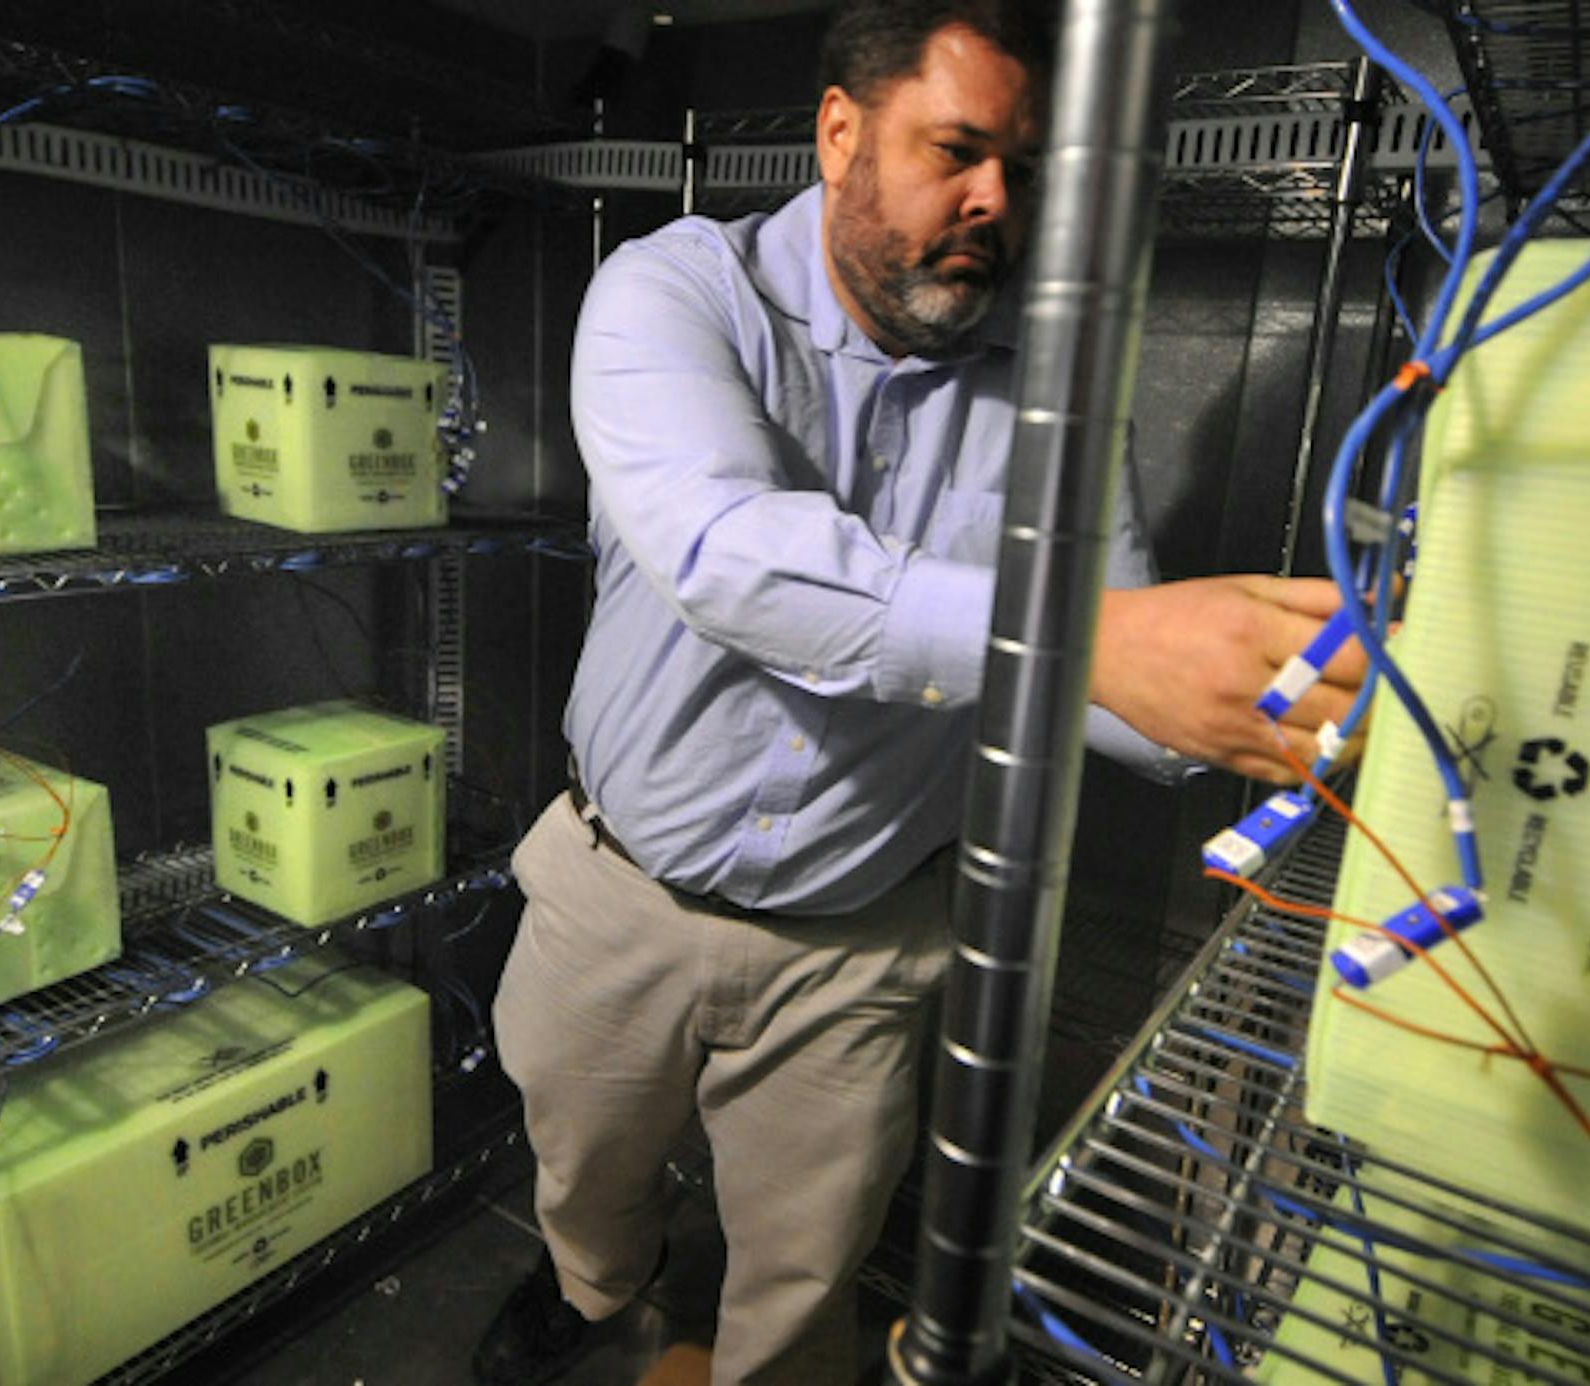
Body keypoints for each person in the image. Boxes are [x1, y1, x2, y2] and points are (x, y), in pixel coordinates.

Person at [473, 2, 1368, 1381]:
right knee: (583, 1178)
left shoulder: (1055, 399)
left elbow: (1114, 688)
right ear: (840, 132)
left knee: (804, 1262)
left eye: (1024, 165)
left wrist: (1273, 688)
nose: (994, 201)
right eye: (956, 149)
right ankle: (602, 1296)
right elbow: (731, 557)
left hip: (861, 937)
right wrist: (1090, 639)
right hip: (620, 887)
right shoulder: (676, 293)